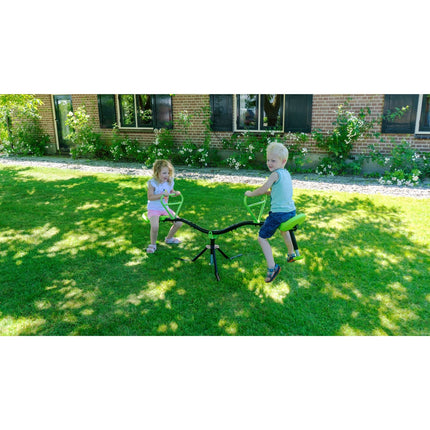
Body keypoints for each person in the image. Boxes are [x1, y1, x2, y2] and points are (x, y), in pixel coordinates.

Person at [245, 141, 296, 282]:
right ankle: (291, 254)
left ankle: (272, 267)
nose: (269, 163)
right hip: (291, 211)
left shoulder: (274, 175)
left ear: (283, 161)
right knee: (284, 231)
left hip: (278, 214)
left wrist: (251, 193)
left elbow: (262, 189)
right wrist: (270, 193)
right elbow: (282, 191)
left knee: (262, 238)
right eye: (268, 160)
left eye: (273, 161)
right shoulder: (286, 173)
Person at [146, 159, 183, 253]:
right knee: (155, 227)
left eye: (168, 173)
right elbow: (150, 197)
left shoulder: (169, 182)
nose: (167, 175)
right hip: (154, 209)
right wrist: (161, 194)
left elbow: (171, 192)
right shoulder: (152, 183)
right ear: (157, 173)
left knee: (179, 223)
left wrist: (175, 193)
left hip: (164, 208)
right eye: (164, 173)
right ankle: (153, 245)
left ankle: (169, 238)